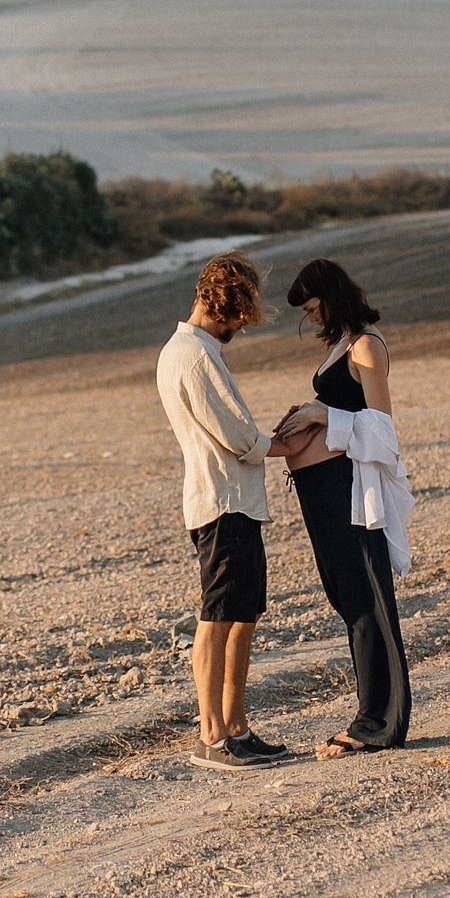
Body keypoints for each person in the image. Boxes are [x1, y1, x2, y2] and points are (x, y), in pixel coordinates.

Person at [156, 253, 316, 771]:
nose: (240, 329)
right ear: (223, 307)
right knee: (219, 617)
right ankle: (212, 734)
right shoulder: (194, 355)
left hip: (234, 501)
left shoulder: (193, 351)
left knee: (243, 616)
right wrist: (291, 443)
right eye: (239, 318)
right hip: (221, 502)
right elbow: (237, 437)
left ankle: (236, 728)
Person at [272, 258, 414, 758]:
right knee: (348, 599)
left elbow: (383, 431)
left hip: (349, 490)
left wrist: (319, 412)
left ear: (332, 296)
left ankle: (378, 723)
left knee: (367, 600)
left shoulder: (367, 346)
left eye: (313, 307)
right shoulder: (340, 346)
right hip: (324, 489)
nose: (310, 317)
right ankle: (373, 717)